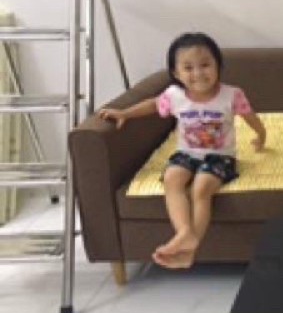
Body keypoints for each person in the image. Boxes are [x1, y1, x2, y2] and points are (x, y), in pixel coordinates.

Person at [98, 32, 266, 269]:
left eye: (205, 65)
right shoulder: (174, 96)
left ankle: (190, 249)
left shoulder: (231, 94)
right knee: (172, 179)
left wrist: (261, 135)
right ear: (176, 73)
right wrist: (124, 113)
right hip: (186, 153)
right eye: (188, 68)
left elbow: (250, 116)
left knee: (201, 188)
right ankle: (185, 232)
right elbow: (152, 105)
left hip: (220, 157)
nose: (198, 73)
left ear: (218, 66)